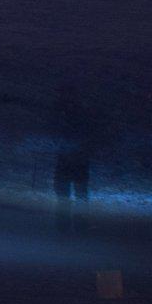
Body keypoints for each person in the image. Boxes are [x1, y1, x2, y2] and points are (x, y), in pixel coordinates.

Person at [50, 80, 98, 231]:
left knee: (68, 192)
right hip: (76, 157)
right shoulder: (79, 112)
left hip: (71, 156)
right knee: (77, 192)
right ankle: (76, 223)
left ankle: (66, 223)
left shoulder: (62, 112)